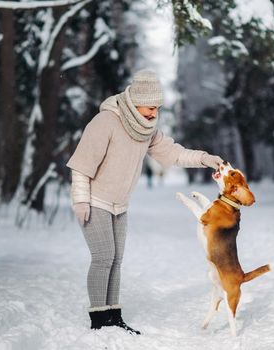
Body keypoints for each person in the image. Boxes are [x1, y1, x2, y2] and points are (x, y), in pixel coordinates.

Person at [66, 69, 223, 334]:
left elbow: (173, 153)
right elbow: (81, 165)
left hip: (120, 205)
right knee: (103, 258)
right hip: (95, 200)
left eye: (157, 108)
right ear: (136, 102)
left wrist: (205, 159)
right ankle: (98, 321)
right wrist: (81, 201)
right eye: (150, 107)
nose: (154, 114)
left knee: (116, 260)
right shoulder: (106, 121)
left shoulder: (146, 129)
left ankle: (113, 318)